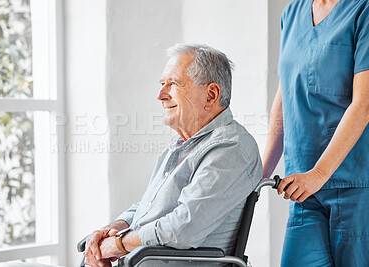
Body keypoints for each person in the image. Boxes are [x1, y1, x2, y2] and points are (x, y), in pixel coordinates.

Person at [83, 44, 262, 267]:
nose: (160, 95)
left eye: (173, 83)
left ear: (211, 95)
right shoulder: (182, 143)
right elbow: (150, 208)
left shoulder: (231, 148)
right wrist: (113, 229)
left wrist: (118, 245)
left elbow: (184, 228)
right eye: (162, 84)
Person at [262, 0, 369, 266]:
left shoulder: (362, 10)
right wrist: (261, 172)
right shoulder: (292, 13)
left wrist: (319, 174)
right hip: (303, 189)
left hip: (356, 186)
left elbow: (364, 104)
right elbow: (284, 95)